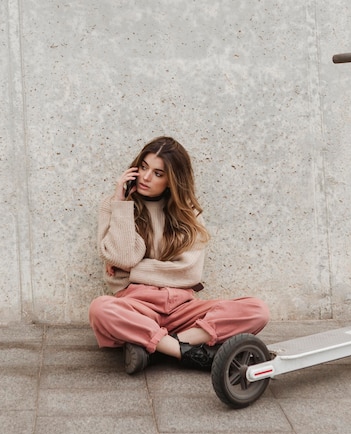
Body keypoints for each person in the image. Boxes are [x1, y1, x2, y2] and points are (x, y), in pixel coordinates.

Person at [89, 136, 269, 374]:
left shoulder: (188, 213)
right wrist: (121, 204)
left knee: (257, 310)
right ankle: (185, 351)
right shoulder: (116, 205)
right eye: (143, 167)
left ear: (172, 180)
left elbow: (189, 272)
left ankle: (158, 346)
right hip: (136, 305)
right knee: (100, 309)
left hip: (182, 308)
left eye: (158, 173)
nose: (145, 177)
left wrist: (133, 271)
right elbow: (121, 257)